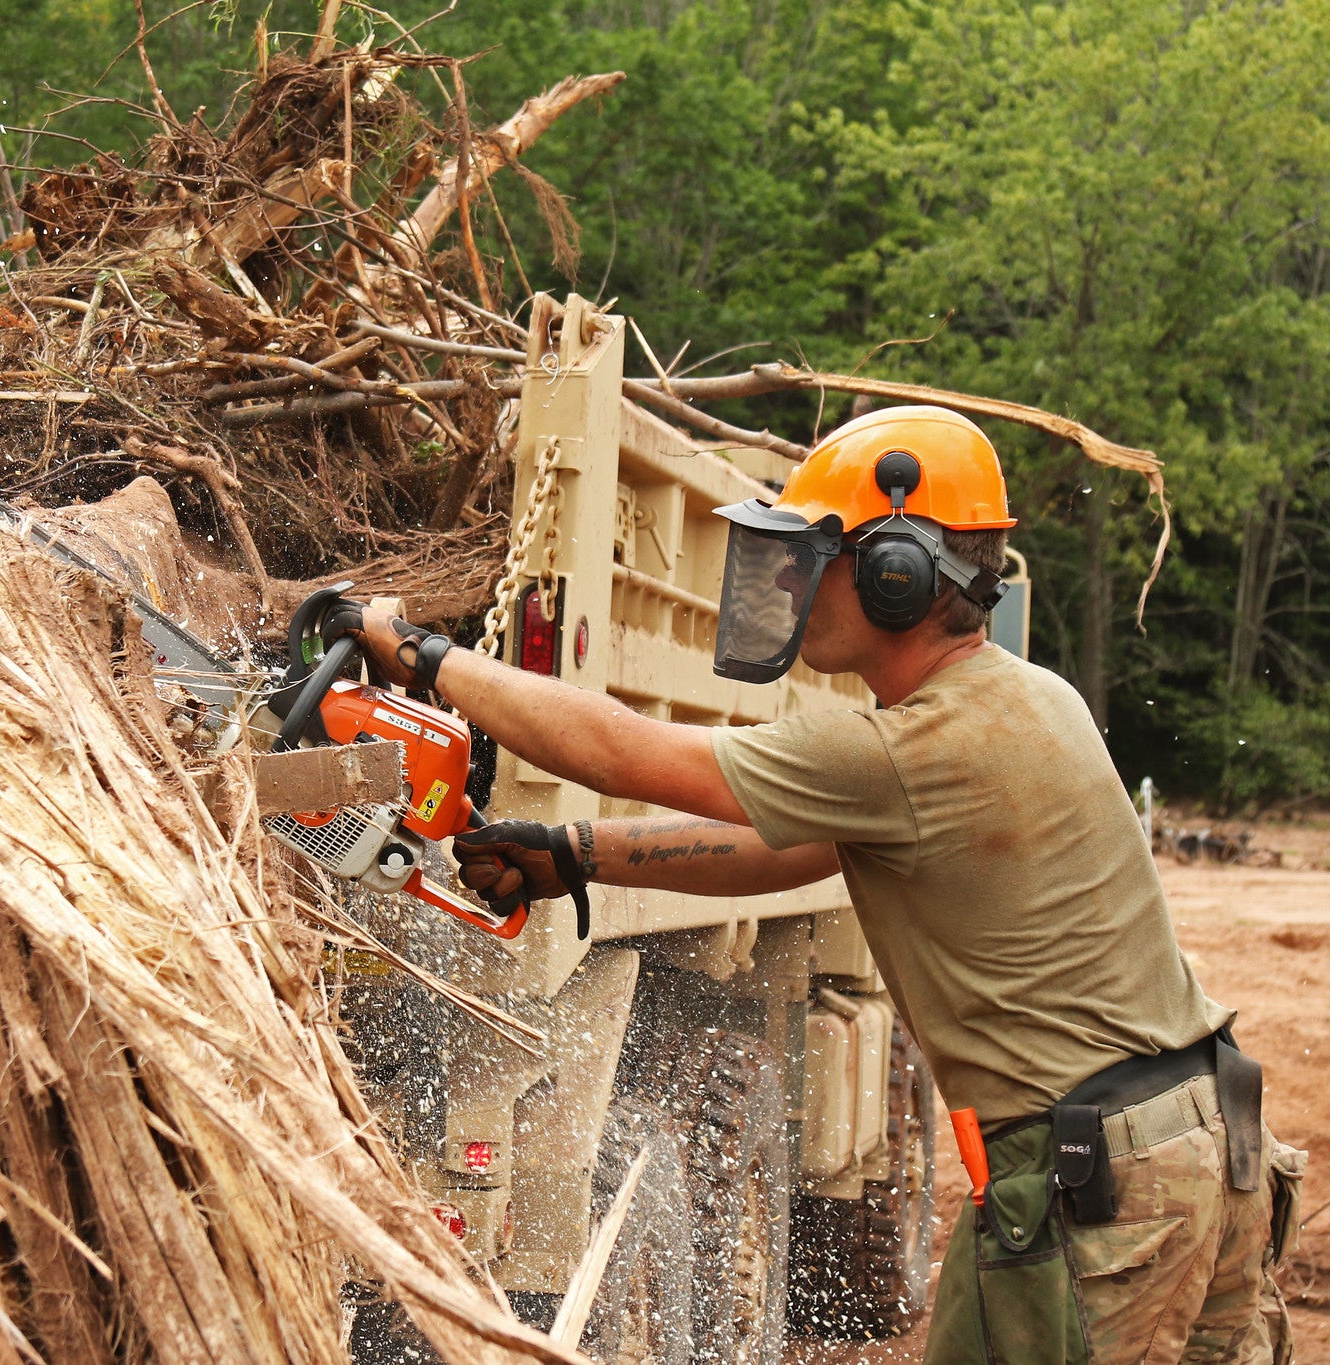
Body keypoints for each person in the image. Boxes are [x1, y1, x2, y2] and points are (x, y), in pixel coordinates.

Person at [334, 406, 1304, 1364]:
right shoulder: (1023, 699)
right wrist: (577, 854)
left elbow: (621, 749)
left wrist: (420, 656)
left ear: (898, 575)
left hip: (1097, 1185)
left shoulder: (912, 745)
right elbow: (789, 850)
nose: (791, 581)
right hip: (1200, 1149)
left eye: (814, 557)